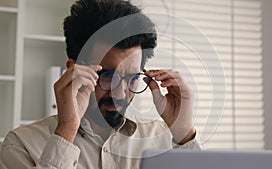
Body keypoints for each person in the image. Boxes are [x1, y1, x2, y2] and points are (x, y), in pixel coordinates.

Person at [0, 0, 202, 168]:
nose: (120, 94)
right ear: (73, 71)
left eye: (131, 78)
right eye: (107, 76)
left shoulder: (165, 140)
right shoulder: (21, 144)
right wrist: (67, 130)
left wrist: (184, 132)